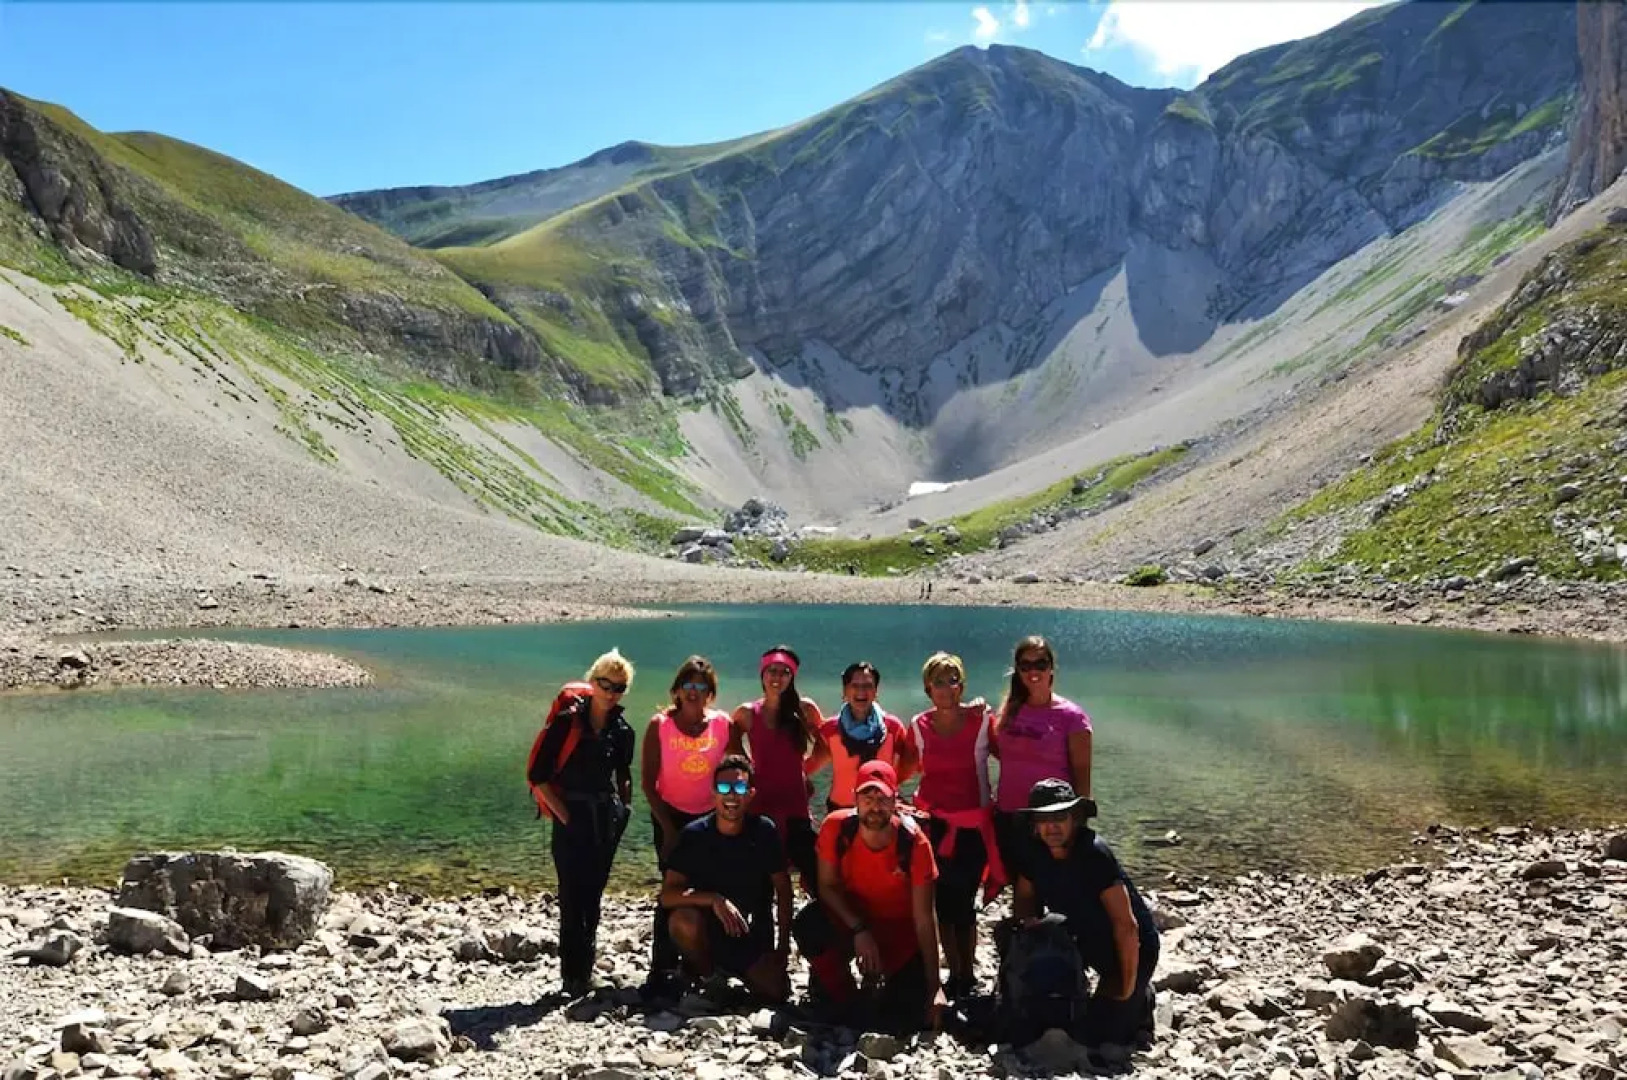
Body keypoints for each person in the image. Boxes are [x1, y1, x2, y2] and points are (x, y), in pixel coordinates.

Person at [792, 760, 946, 1034]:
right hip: (854, 921)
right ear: (855, 799)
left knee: (905, 1017)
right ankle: (844, 995)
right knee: (809, 922)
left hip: (899, 932)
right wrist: (859, 929)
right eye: (867, 797)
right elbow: (826, 887)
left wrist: (936, 987)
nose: (875, 807)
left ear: (895, 800)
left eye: (882, 798)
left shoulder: (915, 843)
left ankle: (881, 988)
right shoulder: (836, 828)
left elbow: (925, 917)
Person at [1009, 779, 1159, 1050]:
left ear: (1074, 819)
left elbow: (1126, 925)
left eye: (1059, 817)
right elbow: (1024, 899)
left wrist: (1126, 986)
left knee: (1103, 1037)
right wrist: (1028, 943)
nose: (1051, 827)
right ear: (1034, 823)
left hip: (1131, 945)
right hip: (1082, 936)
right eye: (1043, 819)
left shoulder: (1094, 853)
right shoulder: (1031, 852)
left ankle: (1141, 998)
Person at [526, 649, 638, 997]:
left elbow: (624, 776)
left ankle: (584, 972)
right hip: (572, 817)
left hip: (605, 819)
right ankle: (571, 976)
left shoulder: (622, 730)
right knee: (573, 896)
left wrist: (623, 813)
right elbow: (538, 774)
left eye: (618, 687)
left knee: (593, 895)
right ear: (592, 681)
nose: (610, 691)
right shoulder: (567, 722)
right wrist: (566, 817)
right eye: (604, 683)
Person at [659, 754, 794, 1004]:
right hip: (710, 932)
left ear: (751, 793)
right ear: (713, 793)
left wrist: (783, 946)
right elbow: (667, 896)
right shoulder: (694, 835)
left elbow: (784, 890)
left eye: (740, 787)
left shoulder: (764, 831)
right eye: (723, 787)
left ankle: (742, 975)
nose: (731, 795)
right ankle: (710, 977)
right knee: (682, 920)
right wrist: (713, 899)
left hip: (751, 933)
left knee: (777, 993)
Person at [910, 651, 1005, 999]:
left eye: (952, 680)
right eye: (938, 681)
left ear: (961, 686)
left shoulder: (981, 721)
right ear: (927, 687)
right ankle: (954, 974)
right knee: (940, 901)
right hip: (932, 824)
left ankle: (967, 972)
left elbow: (1009, 755)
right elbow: (906, 765)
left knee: (964, 901)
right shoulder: (918, 725)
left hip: (972, 825)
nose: (946, 688)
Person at [641, 655, 734, 999]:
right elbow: (649, 784)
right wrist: (669, 829)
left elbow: (737, 769)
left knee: (708, 887)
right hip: (671, 816)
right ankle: (662, 968)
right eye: (688, 685)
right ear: (677, 690)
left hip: (710, 819)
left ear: (710, 693)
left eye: (701, 686)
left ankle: (699, 963)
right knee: (672, 890)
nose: (693, 692)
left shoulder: (722, 724)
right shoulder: (660, 725)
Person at [990, 635, 1092, 884]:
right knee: (1018, 881)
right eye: (1026, 665)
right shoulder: (1008, 710)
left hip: (1050, 819)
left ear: (1051, 668)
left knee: (1047, 884)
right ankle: (1023, 923)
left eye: (1040, 664)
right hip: (1009, 814)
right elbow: (999, 751)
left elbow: (1082, 775)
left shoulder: (1071, 717)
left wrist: (1078, 827)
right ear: (1017, 670)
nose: (1033, 671)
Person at [729, 645, 825, 896]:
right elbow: (731, 743)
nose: (777, 677)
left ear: (792, 677)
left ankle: (824, 928)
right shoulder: (748, 712)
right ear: (762, 675)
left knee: (815, 873)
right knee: (761, 877)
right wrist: (749, 772)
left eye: (784, 672)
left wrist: (804, 771)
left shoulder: (805, 709)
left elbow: (825, 749)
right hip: (761, 803)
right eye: (771, 671)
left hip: (796, 803)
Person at [809, 662, 918, 811]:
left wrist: (890, 785)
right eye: (855, 686)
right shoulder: (830, 730)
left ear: (876, 691)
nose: (861, 691)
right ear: (845, 691)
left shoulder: (893, 727)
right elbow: (810, 765)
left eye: (867, 686)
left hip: (881, 810)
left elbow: (910, 764)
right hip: (841, 810)